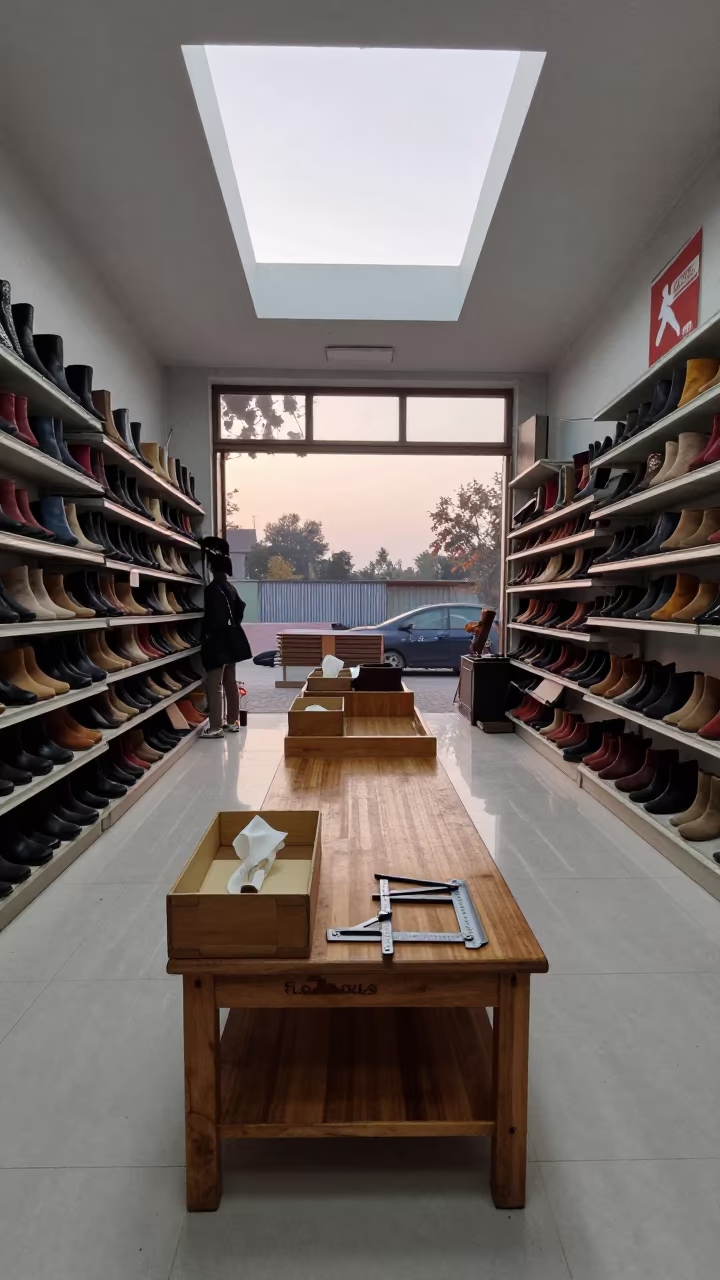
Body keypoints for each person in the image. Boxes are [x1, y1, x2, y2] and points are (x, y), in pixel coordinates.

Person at [199, 538, 251, 739]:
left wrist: (205, 635)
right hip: (233, 639)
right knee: (230, 680)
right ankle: (232, 722)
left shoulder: (212, 590)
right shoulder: (231, 589)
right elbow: (239, 611)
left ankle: (214, 728)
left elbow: (214, 618)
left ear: (212, 568)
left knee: (214, 683)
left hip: (218, 641)